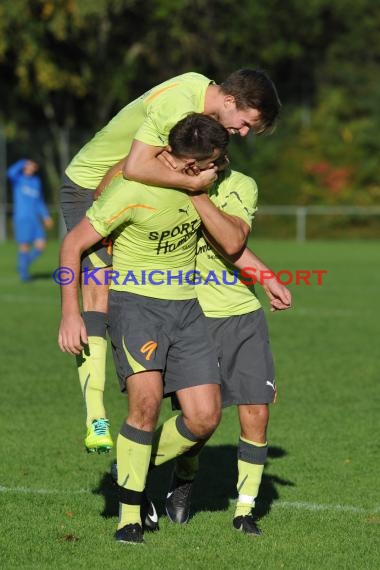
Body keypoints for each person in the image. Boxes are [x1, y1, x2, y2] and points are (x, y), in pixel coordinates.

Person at [60, 68, 281, 453]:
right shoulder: (178, 106)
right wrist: (193, 185)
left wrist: (263, 275)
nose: (243, 133)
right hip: (88, 186)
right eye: (245, 123)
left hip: (126, 187)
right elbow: (132, 168)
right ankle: (95, 416)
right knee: (97, 293)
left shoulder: (200, 100)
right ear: (229, 101)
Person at [58, 114, 252, 544]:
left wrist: (197, 191)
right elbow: (74, 244)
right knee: (144, 406)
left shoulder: (207, 188)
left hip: (188, 309)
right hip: (136, 309)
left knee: (204, 418)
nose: (217, 170)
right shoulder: (132, 192)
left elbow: (235, 242)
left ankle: (131, 465)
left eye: (219, 163)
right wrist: (71, 313)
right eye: (210, 164)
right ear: (183, 162)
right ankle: (129, 515)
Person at [158, 161, 292, 536]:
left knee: (256, 410)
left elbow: (232, 242)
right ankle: (182, 476)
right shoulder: (165, 182)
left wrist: (266, 279)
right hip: (188, 316)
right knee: (199, 420)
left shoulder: (241, 185)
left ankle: (245, 510)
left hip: (241, 316)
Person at [7, 159, 54, 281]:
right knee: (25, 246)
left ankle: (23, 264)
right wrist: (22, 162)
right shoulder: (18, 179)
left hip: (35, 219)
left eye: (33, 166)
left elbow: (39, 201)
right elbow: (10, 172)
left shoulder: (36, 181)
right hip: (22, 218)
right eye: (29, 165)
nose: (31, 167)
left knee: (41, 245)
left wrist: (46, 216)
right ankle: (24, 275)